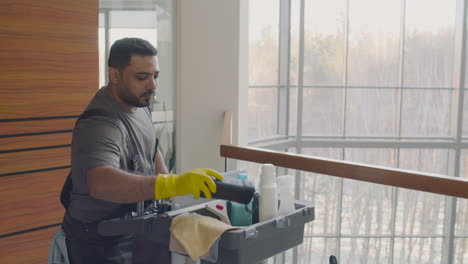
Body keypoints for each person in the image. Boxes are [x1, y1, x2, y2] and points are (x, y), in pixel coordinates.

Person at [61, 37, 223, 264]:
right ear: (114, 75)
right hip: (98, 243)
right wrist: (171, 184)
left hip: (134, 229)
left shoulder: (138, 104)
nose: (153, 86)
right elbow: (101, 182)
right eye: (142, 77)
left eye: (155, 76)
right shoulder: (100, 123)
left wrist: (169, 187)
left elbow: (150, 149)